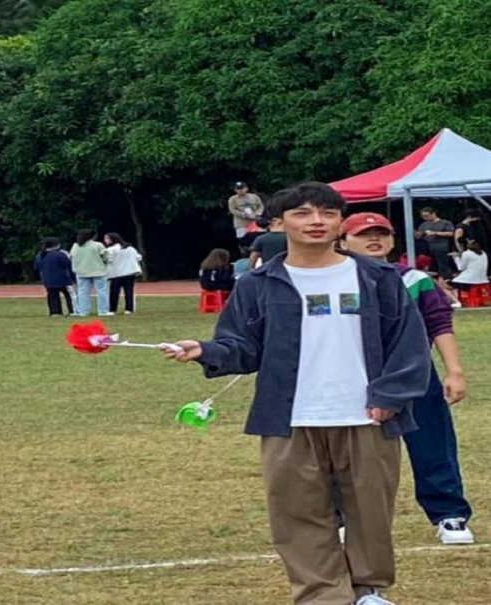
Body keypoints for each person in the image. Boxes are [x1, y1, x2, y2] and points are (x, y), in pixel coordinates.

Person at [163, 182, 430, 605]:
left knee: (371, 512)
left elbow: (408, 343)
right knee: (297, 514)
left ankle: (369, 590)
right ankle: (323, 595)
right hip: (289, 418)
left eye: (327, 213)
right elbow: (242, 346)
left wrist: (389, 396)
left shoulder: (378, 277)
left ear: (340, 222)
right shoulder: (257, 283)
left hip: (366, 416)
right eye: (303, 213)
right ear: (278, 223)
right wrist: (206, 350)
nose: (316, 222)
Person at [340, 212, 474, 545]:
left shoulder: (414, 279)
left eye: (381, 233)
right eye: (363, 234)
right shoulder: (331, 281)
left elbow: (439, 323)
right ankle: (345, 517)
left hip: (415, 374)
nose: (374, 239)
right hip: (353, 375)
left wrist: (454, 371)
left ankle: (449, 515)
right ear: (342, 241)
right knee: (351, 451)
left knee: (432, 444)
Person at [69, 229, 110, 316]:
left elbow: (72, 257)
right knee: (101, 291)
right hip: (98, 271)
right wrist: (104, 263)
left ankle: (83, 311)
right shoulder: (98, 245)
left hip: (81, 271)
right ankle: (103, 311)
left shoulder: (75, 246)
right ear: (93, 236)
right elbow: (106, 257)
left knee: (82, 292)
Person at [33, 237, 76, 316]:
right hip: (63, 279)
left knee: (52, 295)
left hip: (48, 280)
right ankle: (73, 311)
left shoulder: (40, 255)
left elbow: (36, 268)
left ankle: (55, 312)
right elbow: (68, 264)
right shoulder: (60, 254)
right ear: (56, 245)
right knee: (69, 295)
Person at [104, 232, 143, 315]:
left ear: (112, 240)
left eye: (107, 239)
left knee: (114, 292)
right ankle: (129, 309)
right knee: (129, 292)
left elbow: (108, 260)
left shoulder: (110, 250)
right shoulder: (130, 248)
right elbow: (139, 257)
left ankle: (112, 310)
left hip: (116, 274)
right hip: (130, 273)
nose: (105, 240)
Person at [416, 207, 455, 280]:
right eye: (423, 216)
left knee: (443, 266)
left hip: (441, 248)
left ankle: (446, 280)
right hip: (427, 249)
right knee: (429, 267)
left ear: (433, 214)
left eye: (426, 216)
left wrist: (435, 233)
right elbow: (418, 236)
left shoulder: (445, 223)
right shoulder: (423, 225)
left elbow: (451, 233)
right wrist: (418, 234)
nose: (425, 218)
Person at [248, 200, 288, 267]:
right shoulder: (290, 238)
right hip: (286, 267)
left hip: (268, 268)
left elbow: (254, 256)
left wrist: (251, 269)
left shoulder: (261, 238)